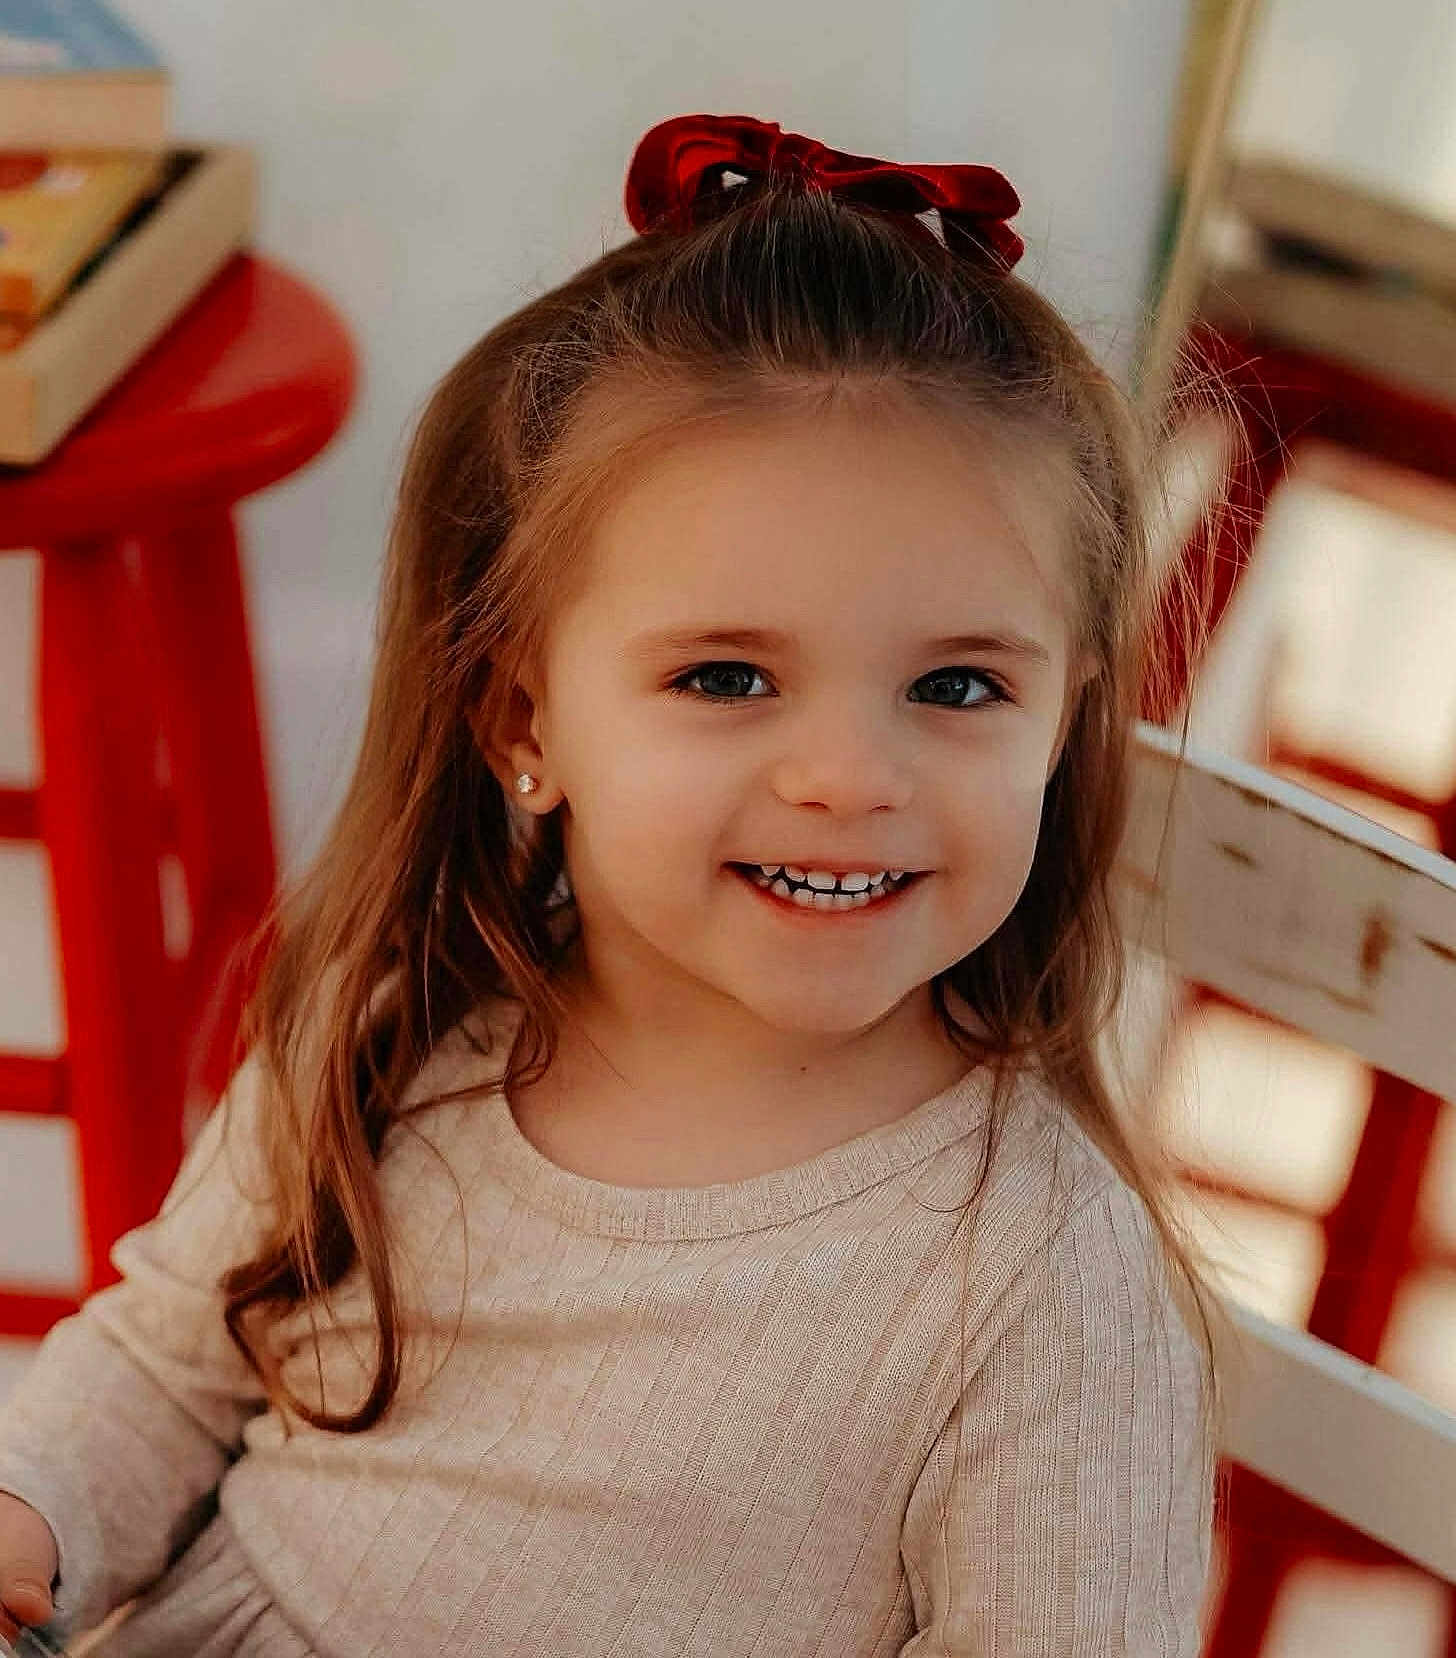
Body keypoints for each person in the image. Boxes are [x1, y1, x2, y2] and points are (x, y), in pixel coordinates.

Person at [0, 113, 1227, 1657]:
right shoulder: (412, 1021)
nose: (848, 775)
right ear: (526, 720)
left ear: (1066, 721)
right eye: (728, 676)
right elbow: (166, 1369)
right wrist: (30, 1506)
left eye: (959, 688)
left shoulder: (1039, 1282)